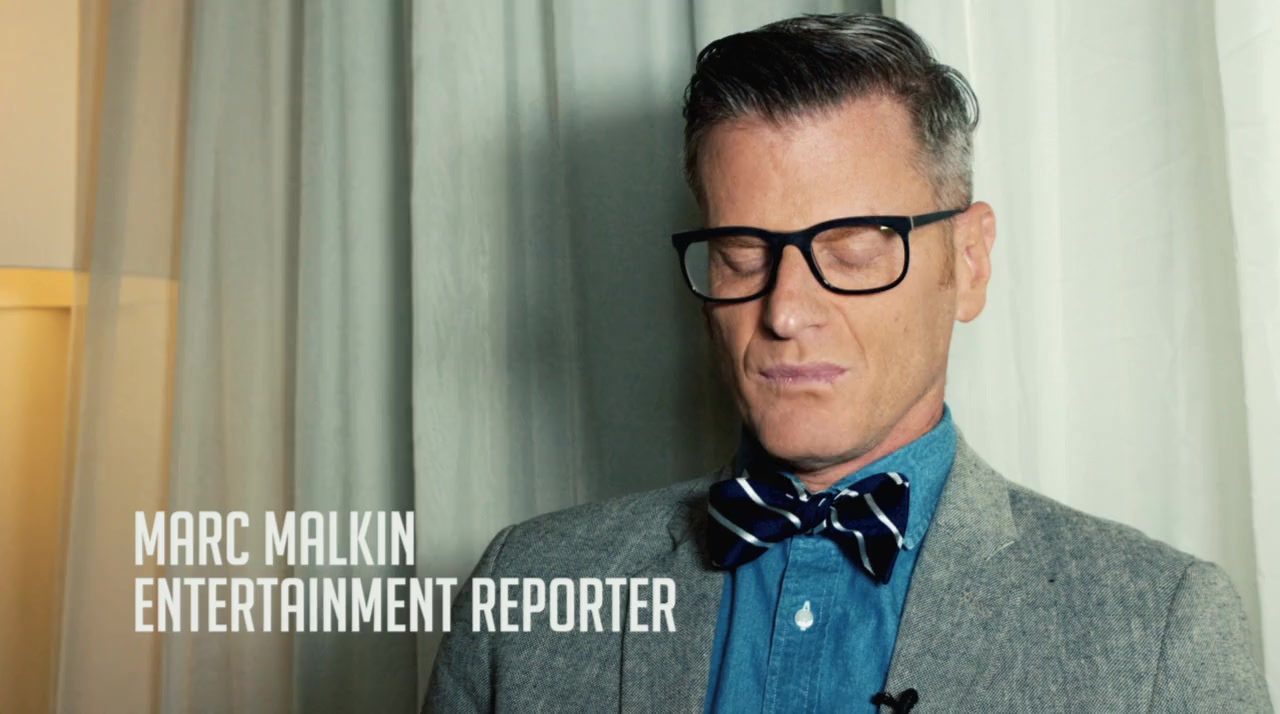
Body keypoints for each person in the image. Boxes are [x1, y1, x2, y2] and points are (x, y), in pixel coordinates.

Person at [424, 13, 1272, 713]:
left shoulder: (1160, 629)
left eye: (855, 248)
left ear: (969, 262)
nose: (786, 312)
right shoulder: (525, 591)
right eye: (742, 253)